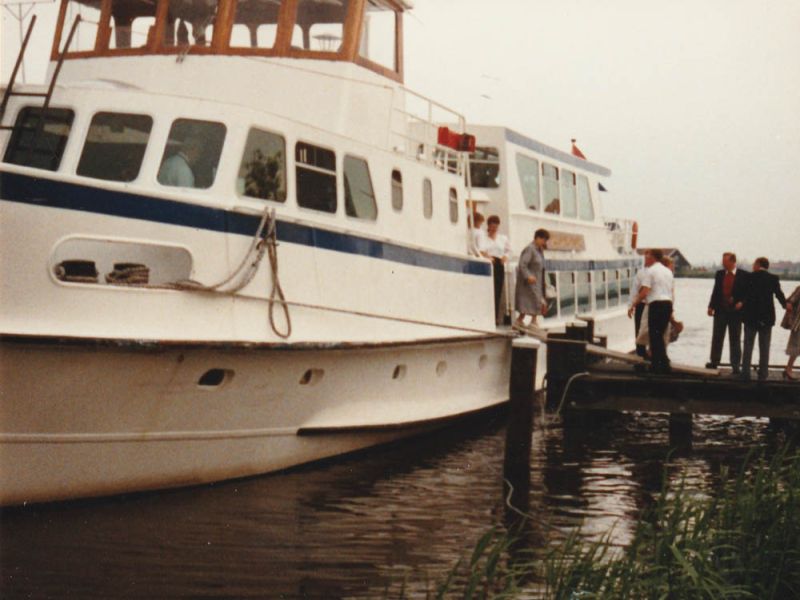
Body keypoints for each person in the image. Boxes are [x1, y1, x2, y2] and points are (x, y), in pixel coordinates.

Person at [735, 257, 786, 381]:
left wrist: (740, 302)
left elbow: (743, 294)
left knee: (748, 347)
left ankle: (745, 374)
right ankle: (763, 374)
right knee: (764, 348)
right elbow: (779, 294)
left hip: (750, 317)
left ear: (758, 264)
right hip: (767, 318)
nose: (752, 265)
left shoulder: (749, 277)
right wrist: (786, 305)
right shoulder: (773, 279)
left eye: (754, 263)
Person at [630, 248, 674, 374]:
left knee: (655, 336)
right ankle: (664, 363)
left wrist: (634, 303)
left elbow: (644, 291)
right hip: (667, 304)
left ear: (653, 258)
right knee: (659, 335)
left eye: (647, 256)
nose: (645, 259)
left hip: (656, 304)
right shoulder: (668, 271)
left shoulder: (650, 271)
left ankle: (658, 366)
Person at [706, 252, 749, 373]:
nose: (723, 264)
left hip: (735, 312)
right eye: (723, 261)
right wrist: (710, 306)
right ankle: (714, 362)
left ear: (732, 262)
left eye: (725, 262)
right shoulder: (719, 274)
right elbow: (715, 291)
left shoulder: (743, 275)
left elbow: (748, 293)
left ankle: (735, 366)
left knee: (735, 338)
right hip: (720, 310)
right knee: (717, 337)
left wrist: (741, 302)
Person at [514, 228, 550, 329]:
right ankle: (521, 321)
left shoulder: (539, 250)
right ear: (538, 238)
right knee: (531, 300)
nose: (544, 242)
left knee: (535, 300)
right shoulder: (530, 249)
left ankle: (532, 321)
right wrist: (528, 275)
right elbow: (522, 264)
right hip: (529, 281)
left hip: (537, 280)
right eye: (543, 240)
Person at [480, 215, 511, 324]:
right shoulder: (483, 237)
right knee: (488, 291)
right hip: (488, 264)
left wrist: (505, 257)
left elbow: (507, 250)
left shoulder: (503, 238)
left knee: (497, 291)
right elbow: (481, 250)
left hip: (499, 264)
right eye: (492, 227)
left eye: (496, 227)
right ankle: (487, 317)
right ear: (488, 226)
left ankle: (496, 317)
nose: (494, 229)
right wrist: (487, 256)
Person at [627, 267, 648, 358]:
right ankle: (641, 356)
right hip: (641, 304)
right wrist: (631, 305)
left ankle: (649, 356)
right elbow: (635, 290)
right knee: (640, 331)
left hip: (651, 304)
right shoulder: (641, 272)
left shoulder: (654, 272)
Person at [781, 285, 800, 380]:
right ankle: (788, 369)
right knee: (796, 347)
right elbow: (790, 301)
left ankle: (788, 369)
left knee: (796, 347)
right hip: (798, 323)